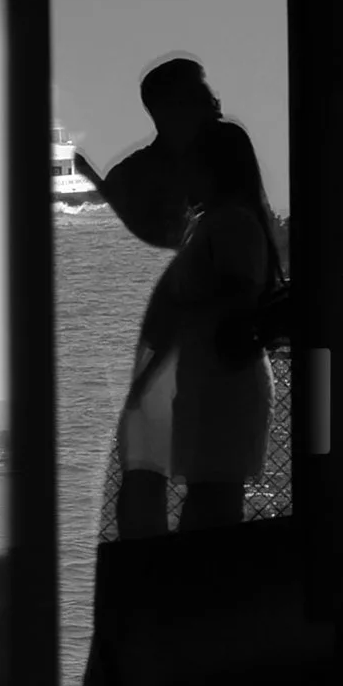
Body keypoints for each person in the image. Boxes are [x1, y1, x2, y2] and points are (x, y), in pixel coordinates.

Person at [87, 58, 222, 540]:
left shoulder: (131, 177)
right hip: (170, 344)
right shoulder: (221, 176)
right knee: (197, 478)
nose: (216, 106)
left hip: (156, 345)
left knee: (148, 472)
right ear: (173, 107)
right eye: (206, 97)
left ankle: (147, 586)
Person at [163, 117, 280, 533]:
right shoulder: (220, 221)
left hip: (221, 379)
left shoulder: (228, 223)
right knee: (212, 497)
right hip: (212, 375)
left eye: (191, 164)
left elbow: (238, 296)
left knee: (212, 501)